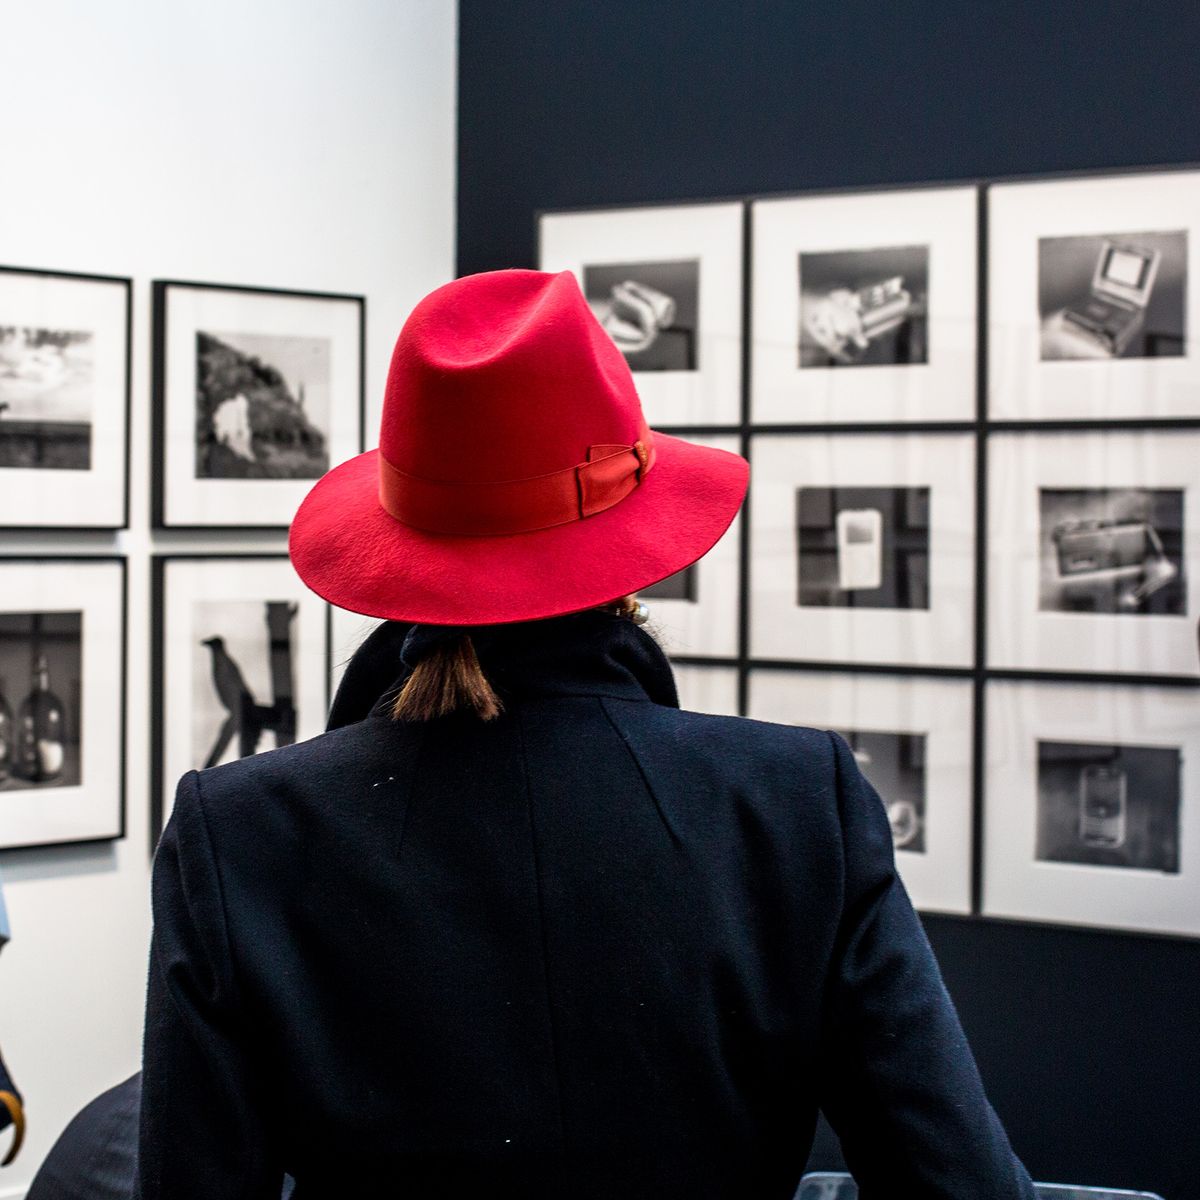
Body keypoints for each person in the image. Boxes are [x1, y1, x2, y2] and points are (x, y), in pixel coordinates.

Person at [134, 269, 1034, 1198]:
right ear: (629, 553)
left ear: (405, 549)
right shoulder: (796, 802)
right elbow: (957, 1182)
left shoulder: (241, 833)